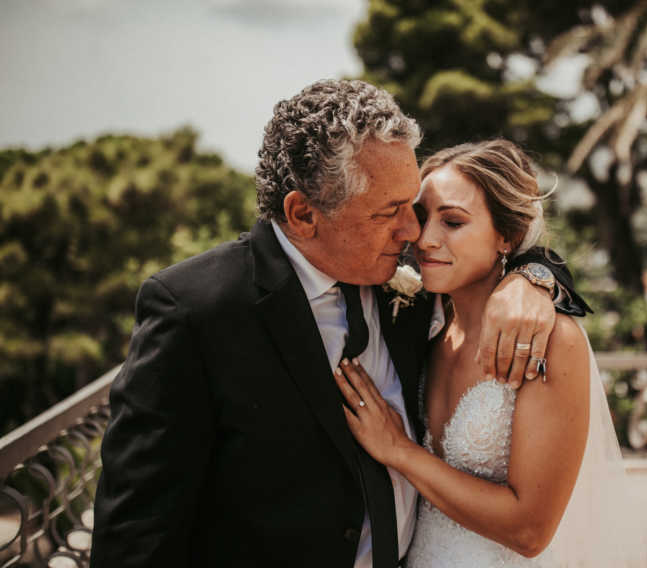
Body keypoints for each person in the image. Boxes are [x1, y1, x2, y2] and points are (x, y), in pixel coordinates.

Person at [90, 80, 589, 568]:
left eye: (416, 208)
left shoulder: (410, 295)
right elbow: (136, 531)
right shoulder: (195, 312)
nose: (415, 233)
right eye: (393, 212)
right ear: (303, 214)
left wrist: (536, 274)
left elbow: (499, 247)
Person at [333, 140, 647, 567]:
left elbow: (530, 531)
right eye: (422, 218)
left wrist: (399, 450)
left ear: (508, 236)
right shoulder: (421, 325)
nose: (425, 240)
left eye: (454, 222)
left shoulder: (551, 341)